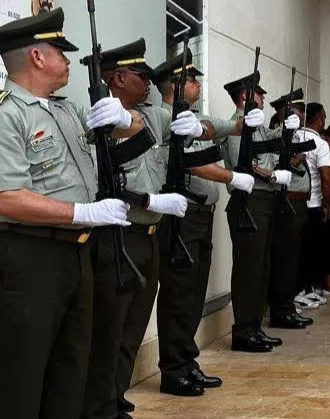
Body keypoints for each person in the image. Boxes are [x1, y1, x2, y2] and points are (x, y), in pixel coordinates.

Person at [0, 9, 142, 419]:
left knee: (71, 367)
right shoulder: (8, 114)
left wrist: (125, 116)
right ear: (37, 56)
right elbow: (7, 198)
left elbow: (131, 129)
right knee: (24, 373)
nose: (67, 60)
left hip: (77, 253)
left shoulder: (66, 110)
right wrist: (84, 211)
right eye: (60, 51)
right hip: (31, 257)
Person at [78, 38, 194, 419]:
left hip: (149, 238)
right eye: (140, 76)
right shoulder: (95, 121)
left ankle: (116, 398)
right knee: (109, 332)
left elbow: (200, 129)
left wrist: (199, 125)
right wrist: (149, 202)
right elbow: (101, 184)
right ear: (116, 78)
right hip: (118, 236)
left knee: (132, 329)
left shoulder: (148, 116)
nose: (148, 82)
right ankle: (99, 408)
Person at [150, 49, 258, 398]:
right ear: (176, 85)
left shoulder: (197, 119)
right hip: (182, 218)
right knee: (178, 295)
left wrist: (247, 114)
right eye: (193, 79)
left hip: (202, 216)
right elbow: (191, 163)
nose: (198, 84)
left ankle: (187, 361)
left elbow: (231, 126)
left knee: (194, 295)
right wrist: (231, 176)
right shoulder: (164, 120)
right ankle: (173, 370)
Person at [221, 72, 300, 353]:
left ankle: (254, 327)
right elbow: (245, 165)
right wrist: (274, 176)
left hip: (264, 201)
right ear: (245, 97)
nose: (263, 97)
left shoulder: (259, 127)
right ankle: (243, 332)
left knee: (263, 268)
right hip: (248, 200)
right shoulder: (236, 126)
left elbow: (272, 151)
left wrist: (287, 129)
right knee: (249, 270)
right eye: (258, 93)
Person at [264, 90, 317, 329]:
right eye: (296, 112)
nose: (301, 116)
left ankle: (287, 306)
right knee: (284, 259)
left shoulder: (294, 136)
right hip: (287, 202)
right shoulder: (276, 135)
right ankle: (281, 310)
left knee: (292, 259)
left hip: (299, 203)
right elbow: (271, 166)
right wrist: (290, 161)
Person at [296, 102, 330, 304]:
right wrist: (327, 205)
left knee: (296, 249)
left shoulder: (293, 137)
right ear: (320, 120)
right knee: (312, 249)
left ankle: (303, 290)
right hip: (313, 203)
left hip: (292, 203)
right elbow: (326, 178)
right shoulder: (320, 144)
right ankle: (305, 290)